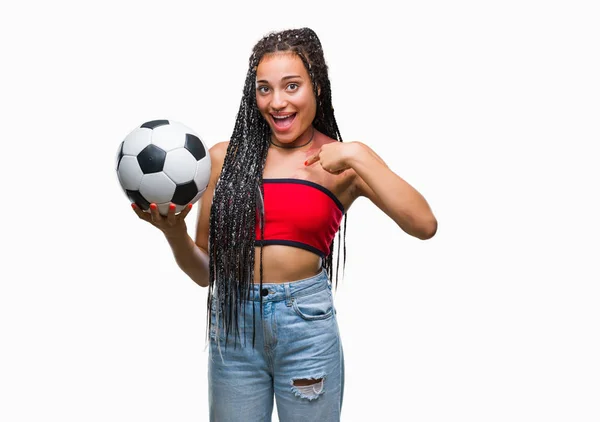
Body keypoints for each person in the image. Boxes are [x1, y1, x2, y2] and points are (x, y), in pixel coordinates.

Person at [131, 27, 437, 422]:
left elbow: (423, 224)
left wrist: (358, 155)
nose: (277, 102)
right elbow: (206, 273)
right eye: (264, 89)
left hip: (306, 326)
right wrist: (174, 235)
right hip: (234, 328)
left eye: (292, 86)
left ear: (317, 87)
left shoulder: (345, 163)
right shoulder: (225, 160)